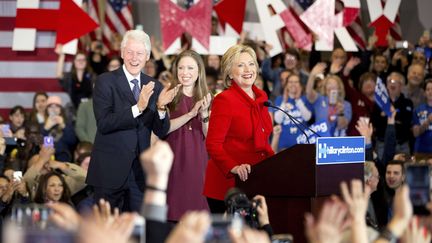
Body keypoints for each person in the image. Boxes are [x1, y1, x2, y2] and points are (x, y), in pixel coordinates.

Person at [86, 29, 179, 212]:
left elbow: (161, 130)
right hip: (109, 173)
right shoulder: (105, 81)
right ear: (122, 53)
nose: (134, 58)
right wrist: (138, 108)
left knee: (138, 233)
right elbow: (104, 123)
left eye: (139, 53)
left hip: (139, 175)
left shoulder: (155, 85)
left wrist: (160, 108)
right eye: (129, 52)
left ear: (147, 57)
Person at [203, 44, 274, 213]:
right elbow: (213, 144)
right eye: (240, 65)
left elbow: (264, 140)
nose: (247, 69)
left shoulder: (262, 98)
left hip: (257, 181)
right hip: (228, 186)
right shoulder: (225, 100)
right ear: (229, 73)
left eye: (251, 64)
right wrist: (234, 167)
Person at [165, 50, 212, 221]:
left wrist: (205, 113)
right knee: (174, 213)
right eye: (181, 68)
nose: (185, 73)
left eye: (190, 68)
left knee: (196, 215)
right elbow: (164, 129)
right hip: (175, 160)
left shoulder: (207, 97)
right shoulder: (169, 95)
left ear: (199, 71)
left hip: (198, 162)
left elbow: (209, 136)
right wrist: (191, 114)